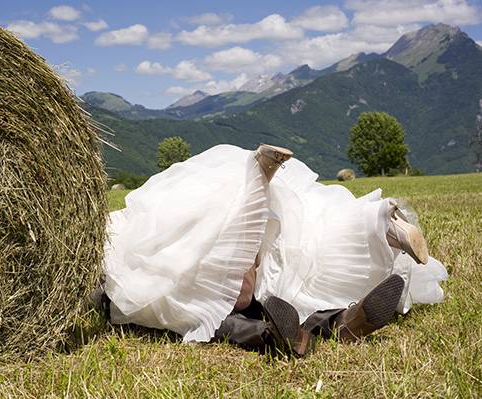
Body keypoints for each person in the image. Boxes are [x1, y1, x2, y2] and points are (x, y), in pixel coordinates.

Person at [101, 144, 447, 355]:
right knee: (302, 263)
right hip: (257, 282)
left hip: (208, 271)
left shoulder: (117, 246)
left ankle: (278, 331)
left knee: (203, 298)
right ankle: (343, 317)